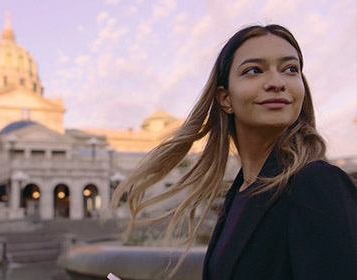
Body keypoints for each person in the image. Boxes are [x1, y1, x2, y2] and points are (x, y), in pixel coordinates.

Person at [110, 24, 356, 279]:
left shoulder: (316, 184)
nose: (277, 82)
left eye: (290, 69)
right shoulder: (238, 194)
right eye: (254, 70)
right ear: (225, 98)